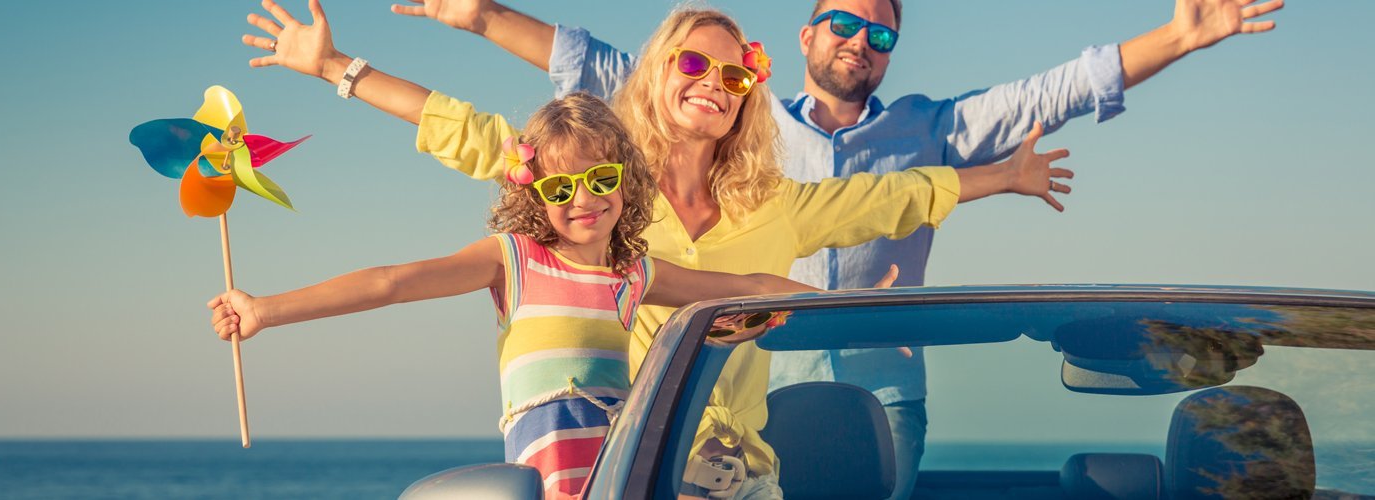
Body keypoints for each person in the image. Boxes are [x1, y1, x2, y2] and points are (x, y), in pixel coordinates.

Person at [389, 0, 1282, 496]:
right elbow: (573, 80)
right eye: (843, 23)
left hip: (862, 393)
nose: (861, 41)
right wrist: (471, 20)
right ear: (807, 36)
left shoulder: (911, 135)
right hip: (687, 412)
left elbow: (1039, 98)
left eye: (882, 33)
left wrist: (1175, 37)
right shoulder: (679, 137)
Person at [242, 2, 1073, 497]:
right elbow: (472, 134)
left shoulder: (776, 207)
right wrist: (336, 68)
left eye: (734, 73)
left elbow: (895, 195)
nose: (714, 80)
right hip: (626, 465)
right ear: (656, 71)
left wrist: (1004, 175)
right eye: (692, 61)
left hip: (739, 476)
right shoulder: (596, 186)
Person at [205, 92, 836, 499]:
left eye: (600, 179)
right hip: (549, 479)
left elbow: (747, 287)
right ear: (533, 193)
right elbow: (391, 282)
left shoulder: (632, 273)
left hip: (623, 474)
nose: (583, 199)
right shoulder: (513, 259)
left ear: (626, 181)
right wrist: (264, 310)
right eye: (559, 188)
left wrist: (845, 308)